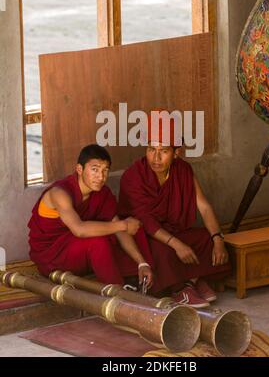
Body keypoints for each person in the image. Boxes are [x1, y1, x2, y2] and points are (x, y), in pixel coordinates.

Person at [118, 110, 230, 308]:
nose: (156, 158)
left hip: (174, 231)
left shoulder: (183, 170)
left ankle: (191, 281)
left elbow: (203, 206)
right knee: (162, 251)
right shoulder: (133, 176)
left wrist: (218, 238)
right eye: (151, 149)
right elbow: (146, 221)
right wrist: (177, 244)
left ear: (176, 152)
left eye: (164, 151)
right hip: (147, 236)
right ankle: (182, 289)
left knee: (206, 238)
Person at [28, 144, 153, 289]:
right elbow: (80, 230)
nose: (101, 177)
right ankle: (118, 293)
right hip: (53, 257)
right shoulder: (60, 193)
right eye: (94, 170)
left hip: (77, 252)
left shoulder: (102, 193)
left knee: (129, 232)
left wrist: (141, 263)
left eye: (105, 170)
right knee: (98, 240)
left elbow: (118, 227)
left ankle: (134, 281)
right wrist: (124, 225)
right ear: (79, 169)